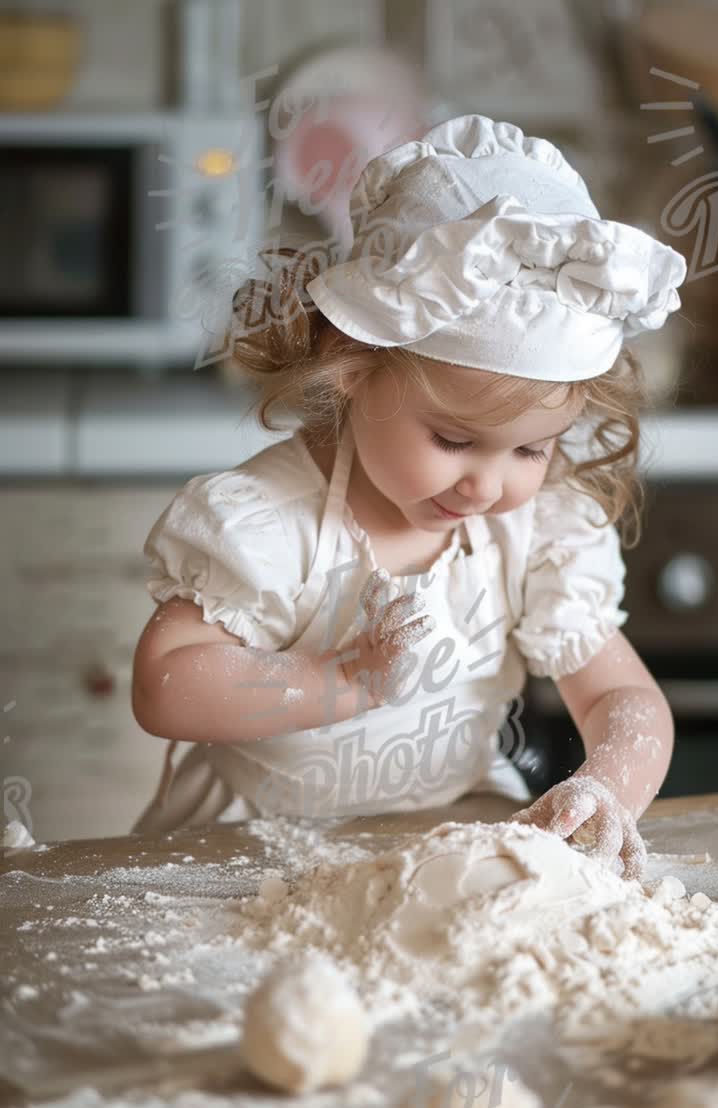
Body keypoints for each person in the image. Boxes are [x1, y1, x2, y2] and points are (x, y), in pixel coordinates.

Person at [130, 113, 686, 879]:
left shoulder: (534, 530)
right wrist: (343, 683)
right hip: (250, 847)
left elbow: (625, 698)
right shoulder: (271, 521)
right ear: (353, 365)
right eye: (453, 440)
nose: (487, 484)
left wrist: (606, 786)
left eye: (531, 448)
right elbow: (167, 683)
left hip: (448, 833)